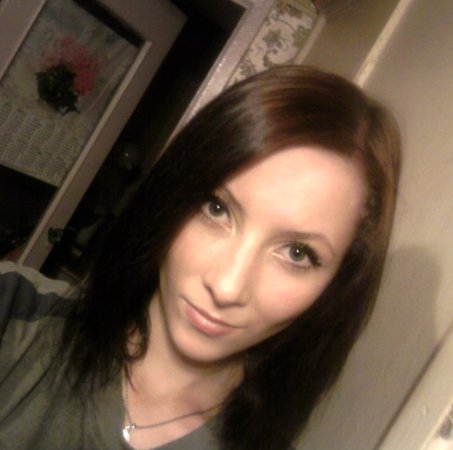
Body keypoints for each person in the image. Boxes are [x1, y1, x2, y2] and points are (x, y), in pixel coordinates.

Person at [0, 65, 401, 450]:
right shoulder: (13, 314)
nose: (227, 287)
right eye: (216, 208)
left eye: (298, 253)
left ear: (335, 287)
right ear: (172, 193)